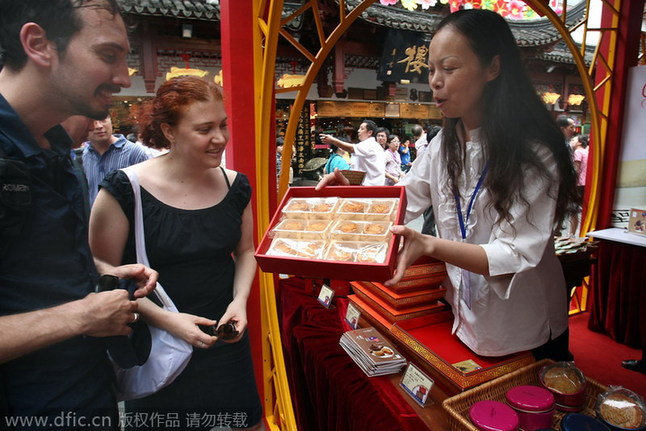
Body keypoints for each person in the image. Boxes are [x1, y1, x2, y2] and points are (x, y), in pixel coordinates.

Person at [318, 9, 579, 360]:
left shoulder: (534, 153)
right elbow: (404, 198)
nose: (435, 81)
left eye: (450, 68)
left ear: (492, 68)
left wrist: (429, 244)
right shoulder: (444, 143)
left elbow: (515, 253)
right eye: (432, 69)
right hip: (461, 312)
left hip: (522, 325)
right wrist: (351, 195)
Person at [0, 0, 158, 426]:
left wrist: (102, 270)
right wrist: (81, 316)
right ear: (38, 44)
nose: (124, 78)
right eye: (108, 55)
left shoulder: (56, 150)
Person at [89, 76, 264, 430]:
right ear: (169, 131)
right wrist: (167, 320)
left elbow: (246, 251)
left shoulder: (236, 185)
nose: (220, 138)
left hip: (223, 334)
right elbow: (100, 269)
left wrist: (239, 300)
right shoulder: (126, 188)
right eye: (205, 129)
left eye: (223, 125)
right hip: (155, 340)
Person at [82, 114, 150, 206]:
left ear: (111, 120)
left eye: (103, 119)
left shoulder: (134, 153)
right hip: (93, 219)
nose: (99, 126)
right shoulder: (84, 156)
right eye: (92, 121)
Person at [319, 119, 385, 186]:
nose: (358, 131)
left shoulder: (369, 144)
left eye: (362, 129)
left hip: (369, 186)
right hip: (371, 185)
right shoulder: (372, 145)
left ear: (369, 133)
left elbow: (351, 148)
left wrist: (333, 140)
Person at [569, 134, 589, 236]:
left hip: (578, 183)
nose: (571, 141)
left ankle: (571, 234)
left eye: (573, 140)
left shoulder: (577, 152)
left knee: (573, 210)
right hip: (586, 183)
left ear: (579, 143)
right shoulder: (587, 152)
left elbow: (576, 169)